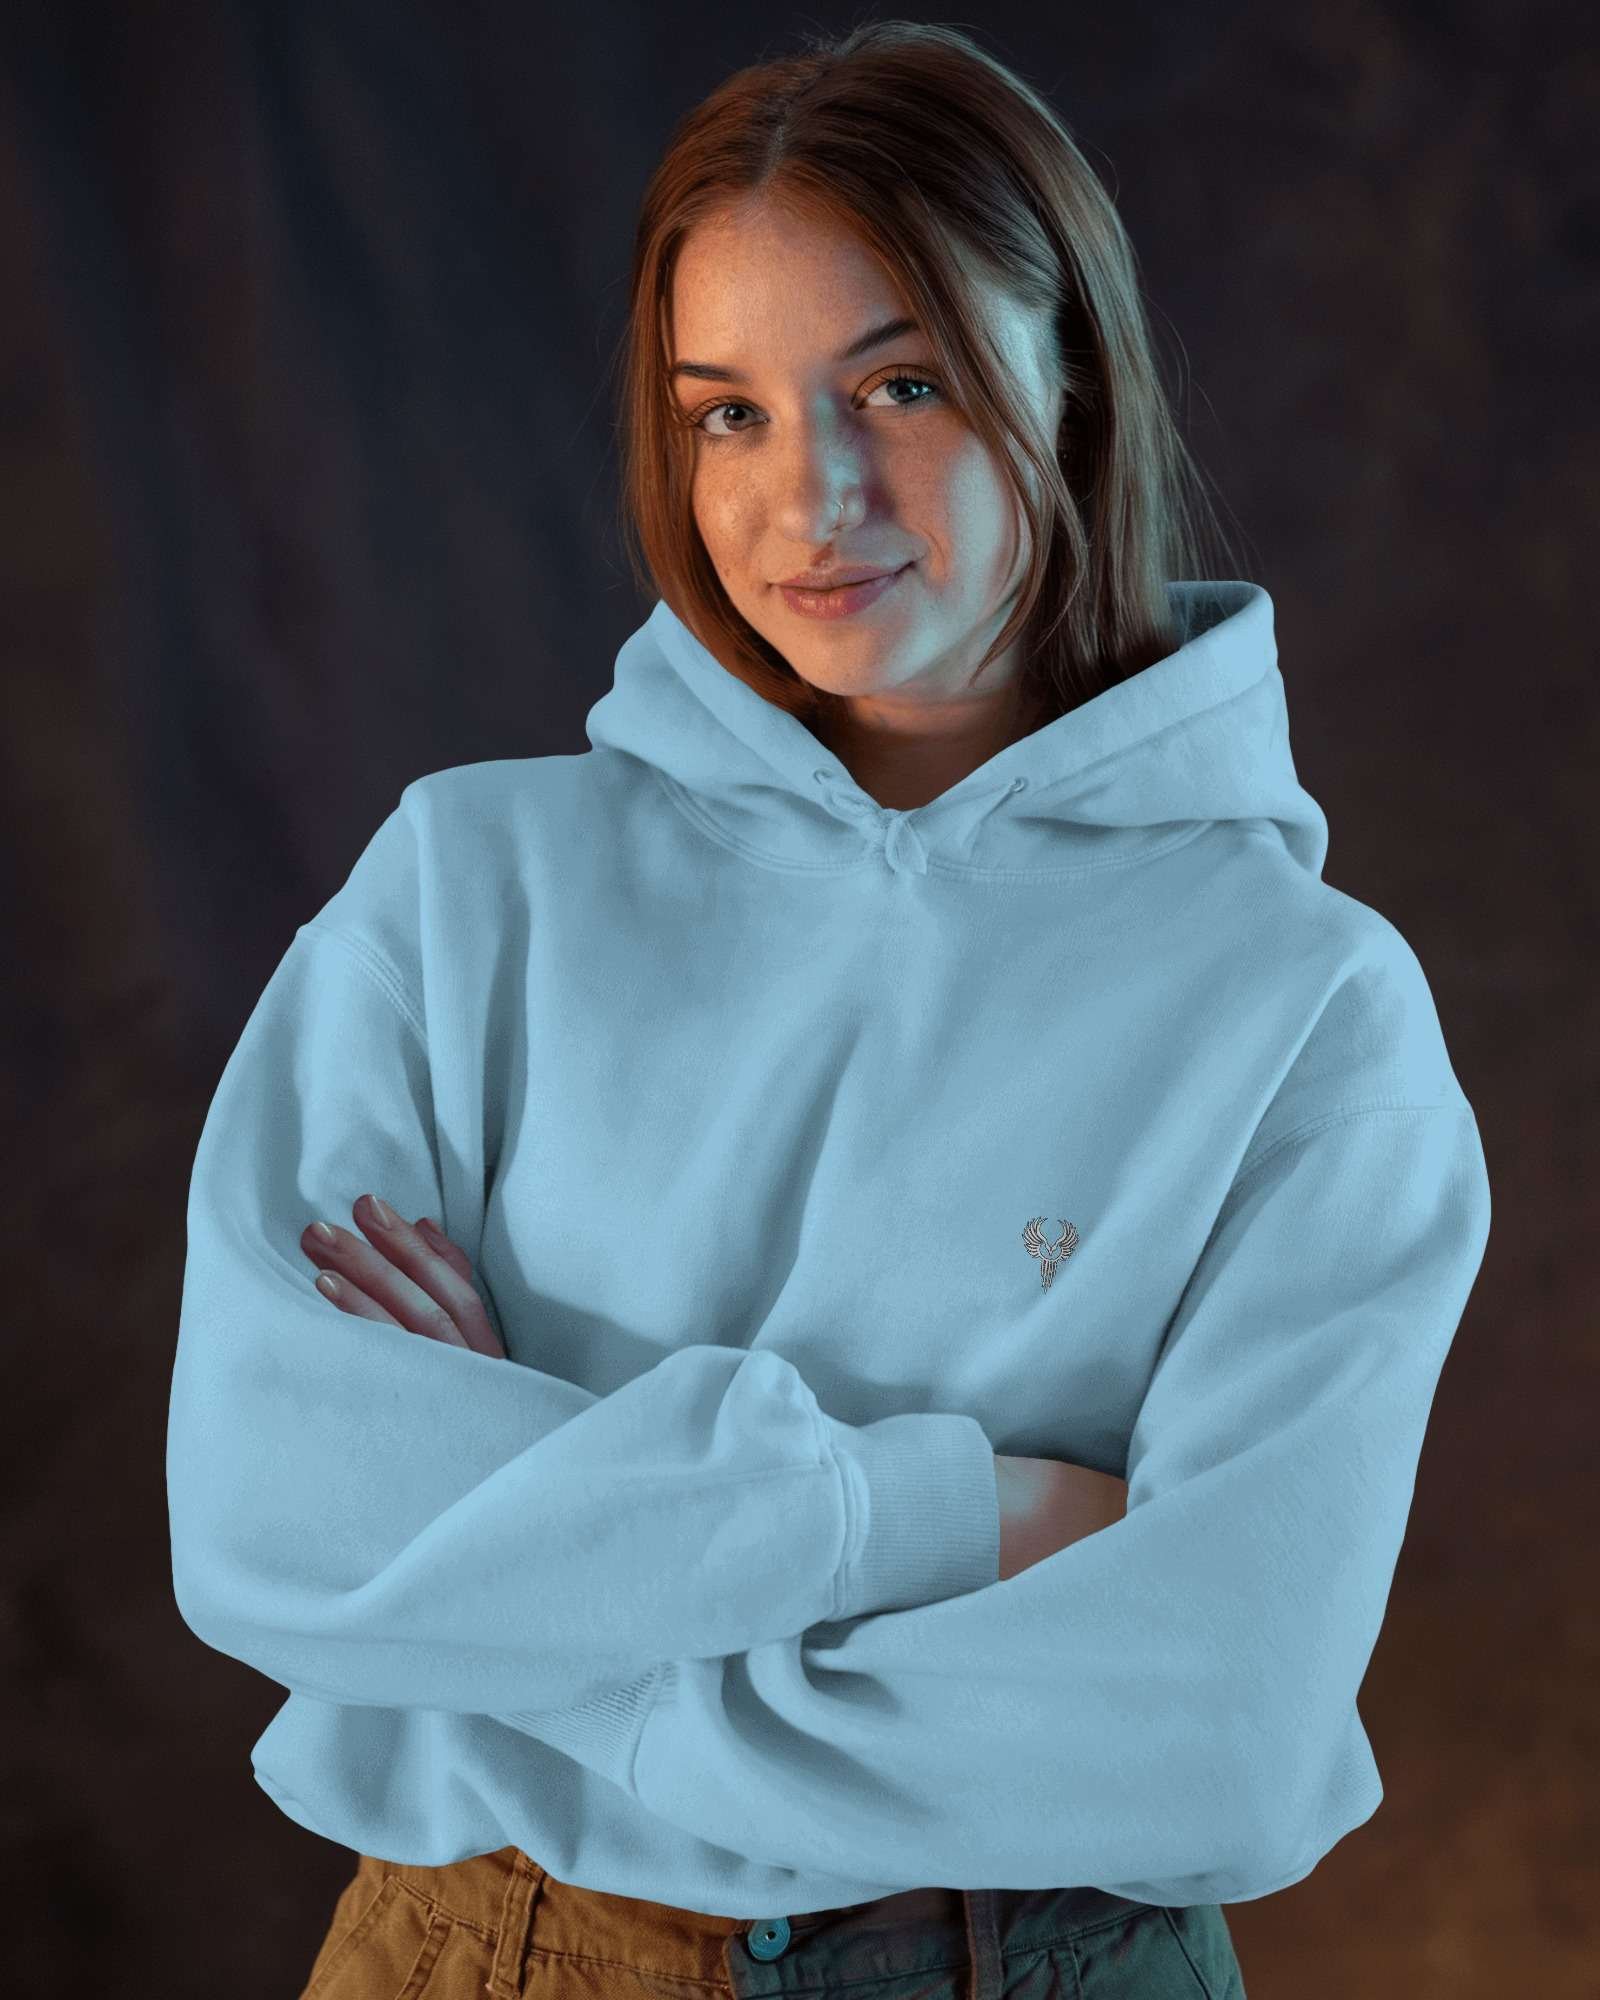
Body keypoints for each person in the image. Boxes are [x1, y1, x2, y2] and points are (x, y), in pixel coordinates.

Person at [167, 21, 1491, 2000]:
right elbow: (277, 1520)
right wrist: (954, 1512)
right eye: (729, 414)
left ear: (1069, 372)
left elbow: (1212, 1720)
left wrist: (511, 1615)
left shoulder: (1304, 1010)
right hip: (484, 1948)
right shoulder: (466, 893)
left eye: (902, 383)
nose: (814, 498)